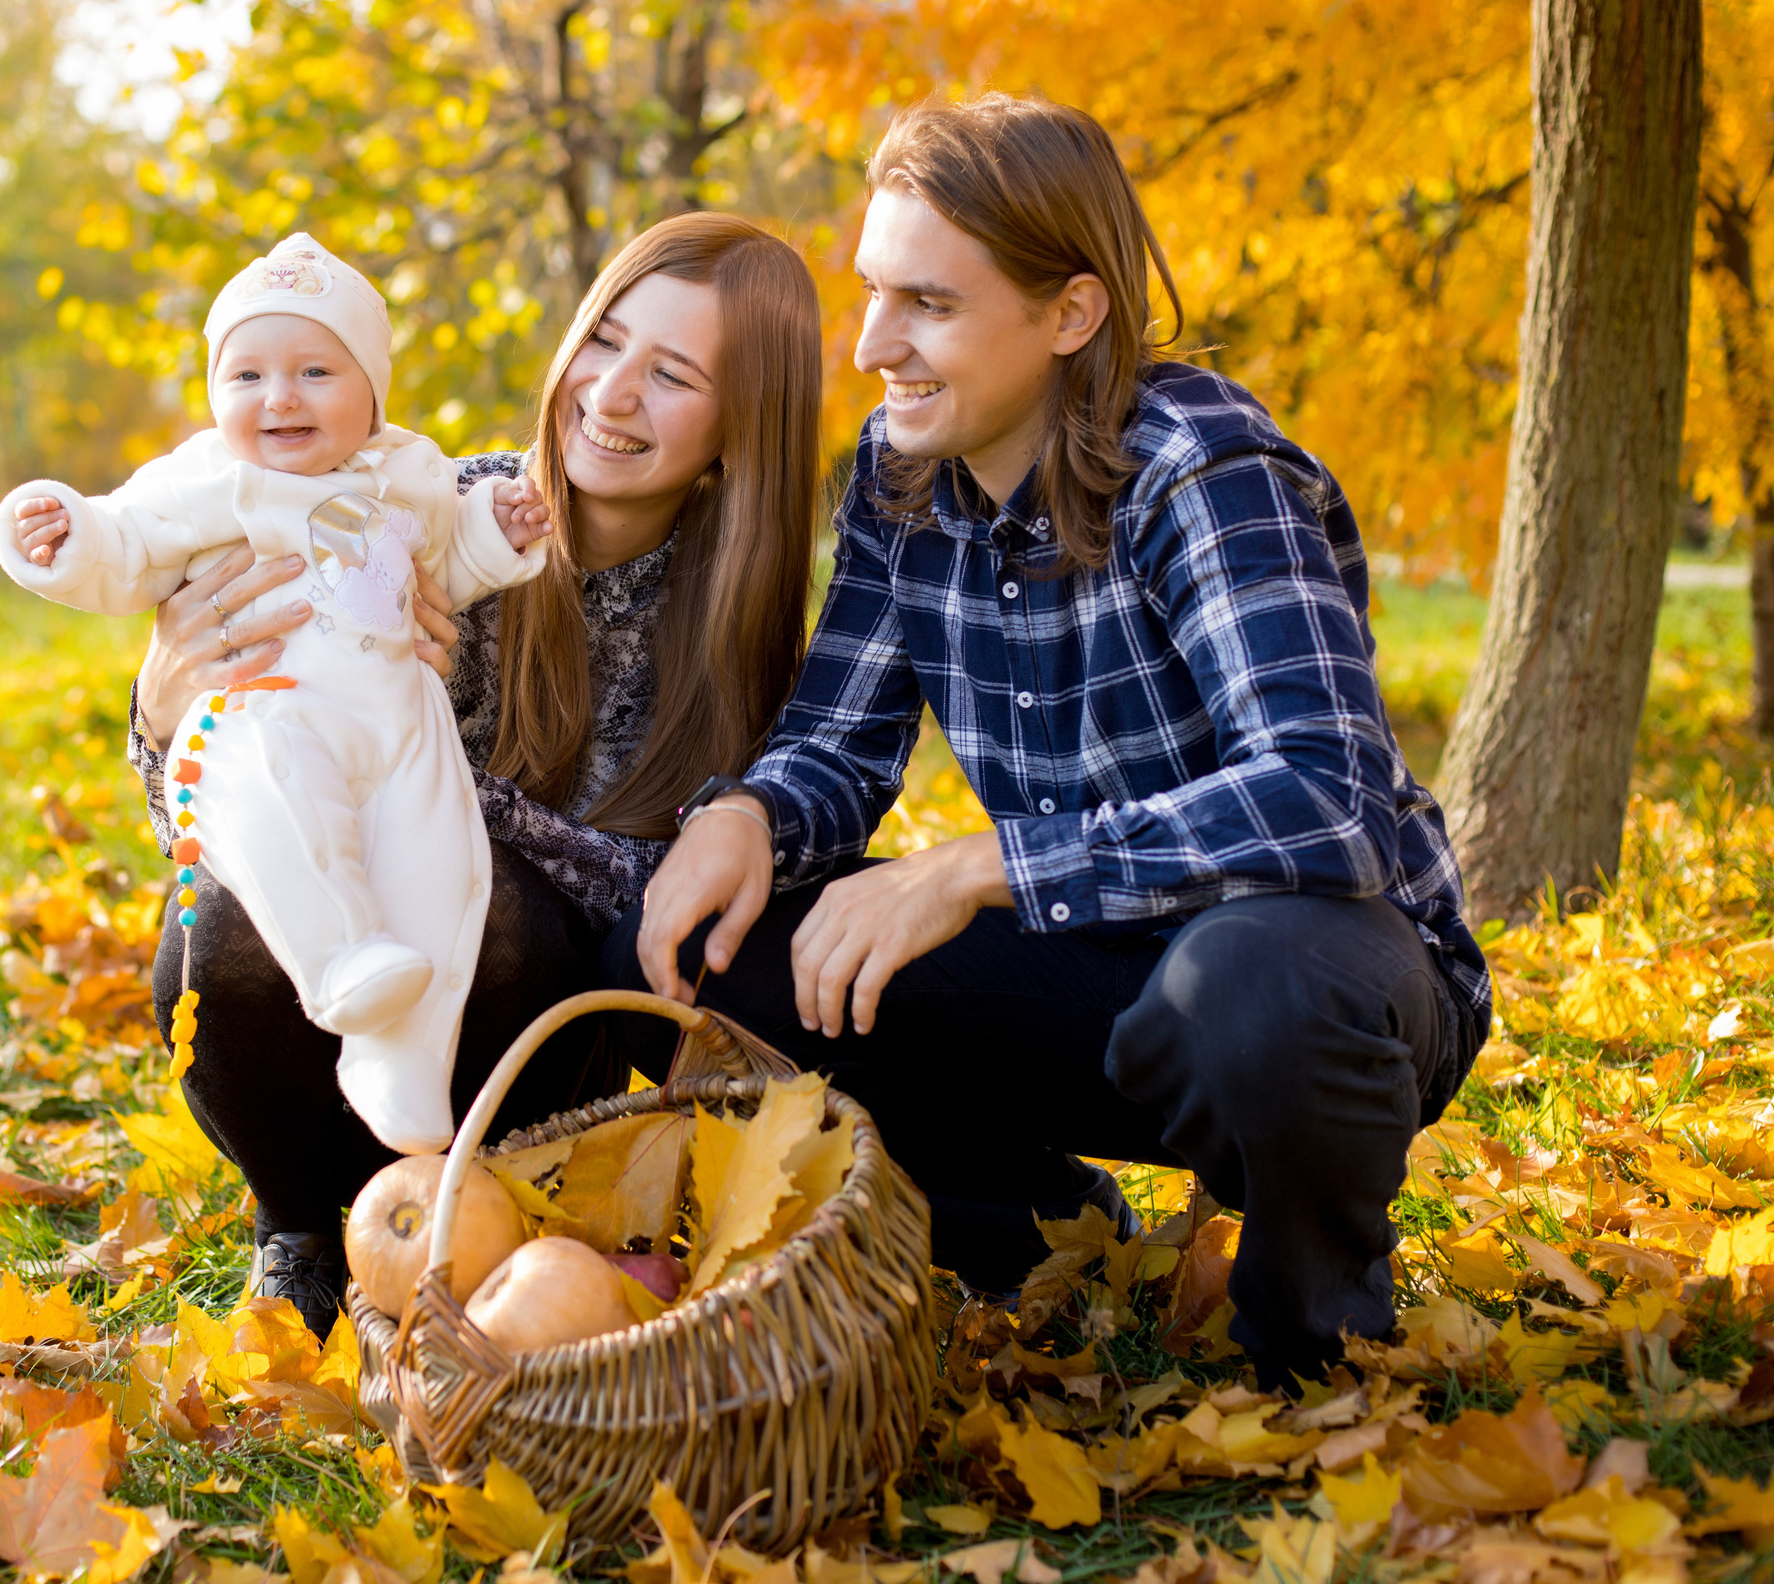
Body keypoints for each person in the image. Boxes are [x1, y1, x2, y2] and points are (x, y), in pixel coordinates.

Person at [617, 95, 1491, 1388]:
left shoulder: (1205, 470)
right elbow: (836, 744)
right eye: (870, 292)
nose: (871, 345)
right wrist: (744, 813)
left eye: (928, 304)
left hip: (1316, 967)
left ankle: (1310, 1336)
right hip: (1090, 962)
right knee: (710, 940)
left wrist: (979, 867)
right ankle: (1033, 1238)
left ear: (1070, 315)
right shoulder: (900, 471)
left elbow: (1324, 802)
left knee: (1253, 986)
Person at [129, 213, 824, 1330]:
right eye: (602, 342)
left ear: (743, 425)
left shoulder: (734, 630)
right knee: (223, 926)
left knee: (497, 913)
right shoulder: (413, 508)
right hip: (331, 991)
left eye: (673, 374)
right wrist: (169, 714)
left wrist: (458, 794)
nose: (609, 395)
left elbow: (641, 895)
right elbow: (201, 817)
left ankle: (483, 1220)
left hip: (529, 1034)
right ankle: (305, 1223)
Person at [0, 233, 552, 1154]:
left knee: (443, 870)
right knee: (274, 798)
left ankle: (402, 1063)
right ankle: (336, 958)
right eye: (246, 376)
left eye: (316, 370)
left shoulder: (412, 470)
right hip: (264, 707)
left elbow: (447, 564)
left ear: (373, 391)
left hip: (401, 727)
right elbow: (124, 545)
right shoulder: (207, 476)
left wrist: (499, 528)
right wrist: (61, 532)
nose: (279, 396)